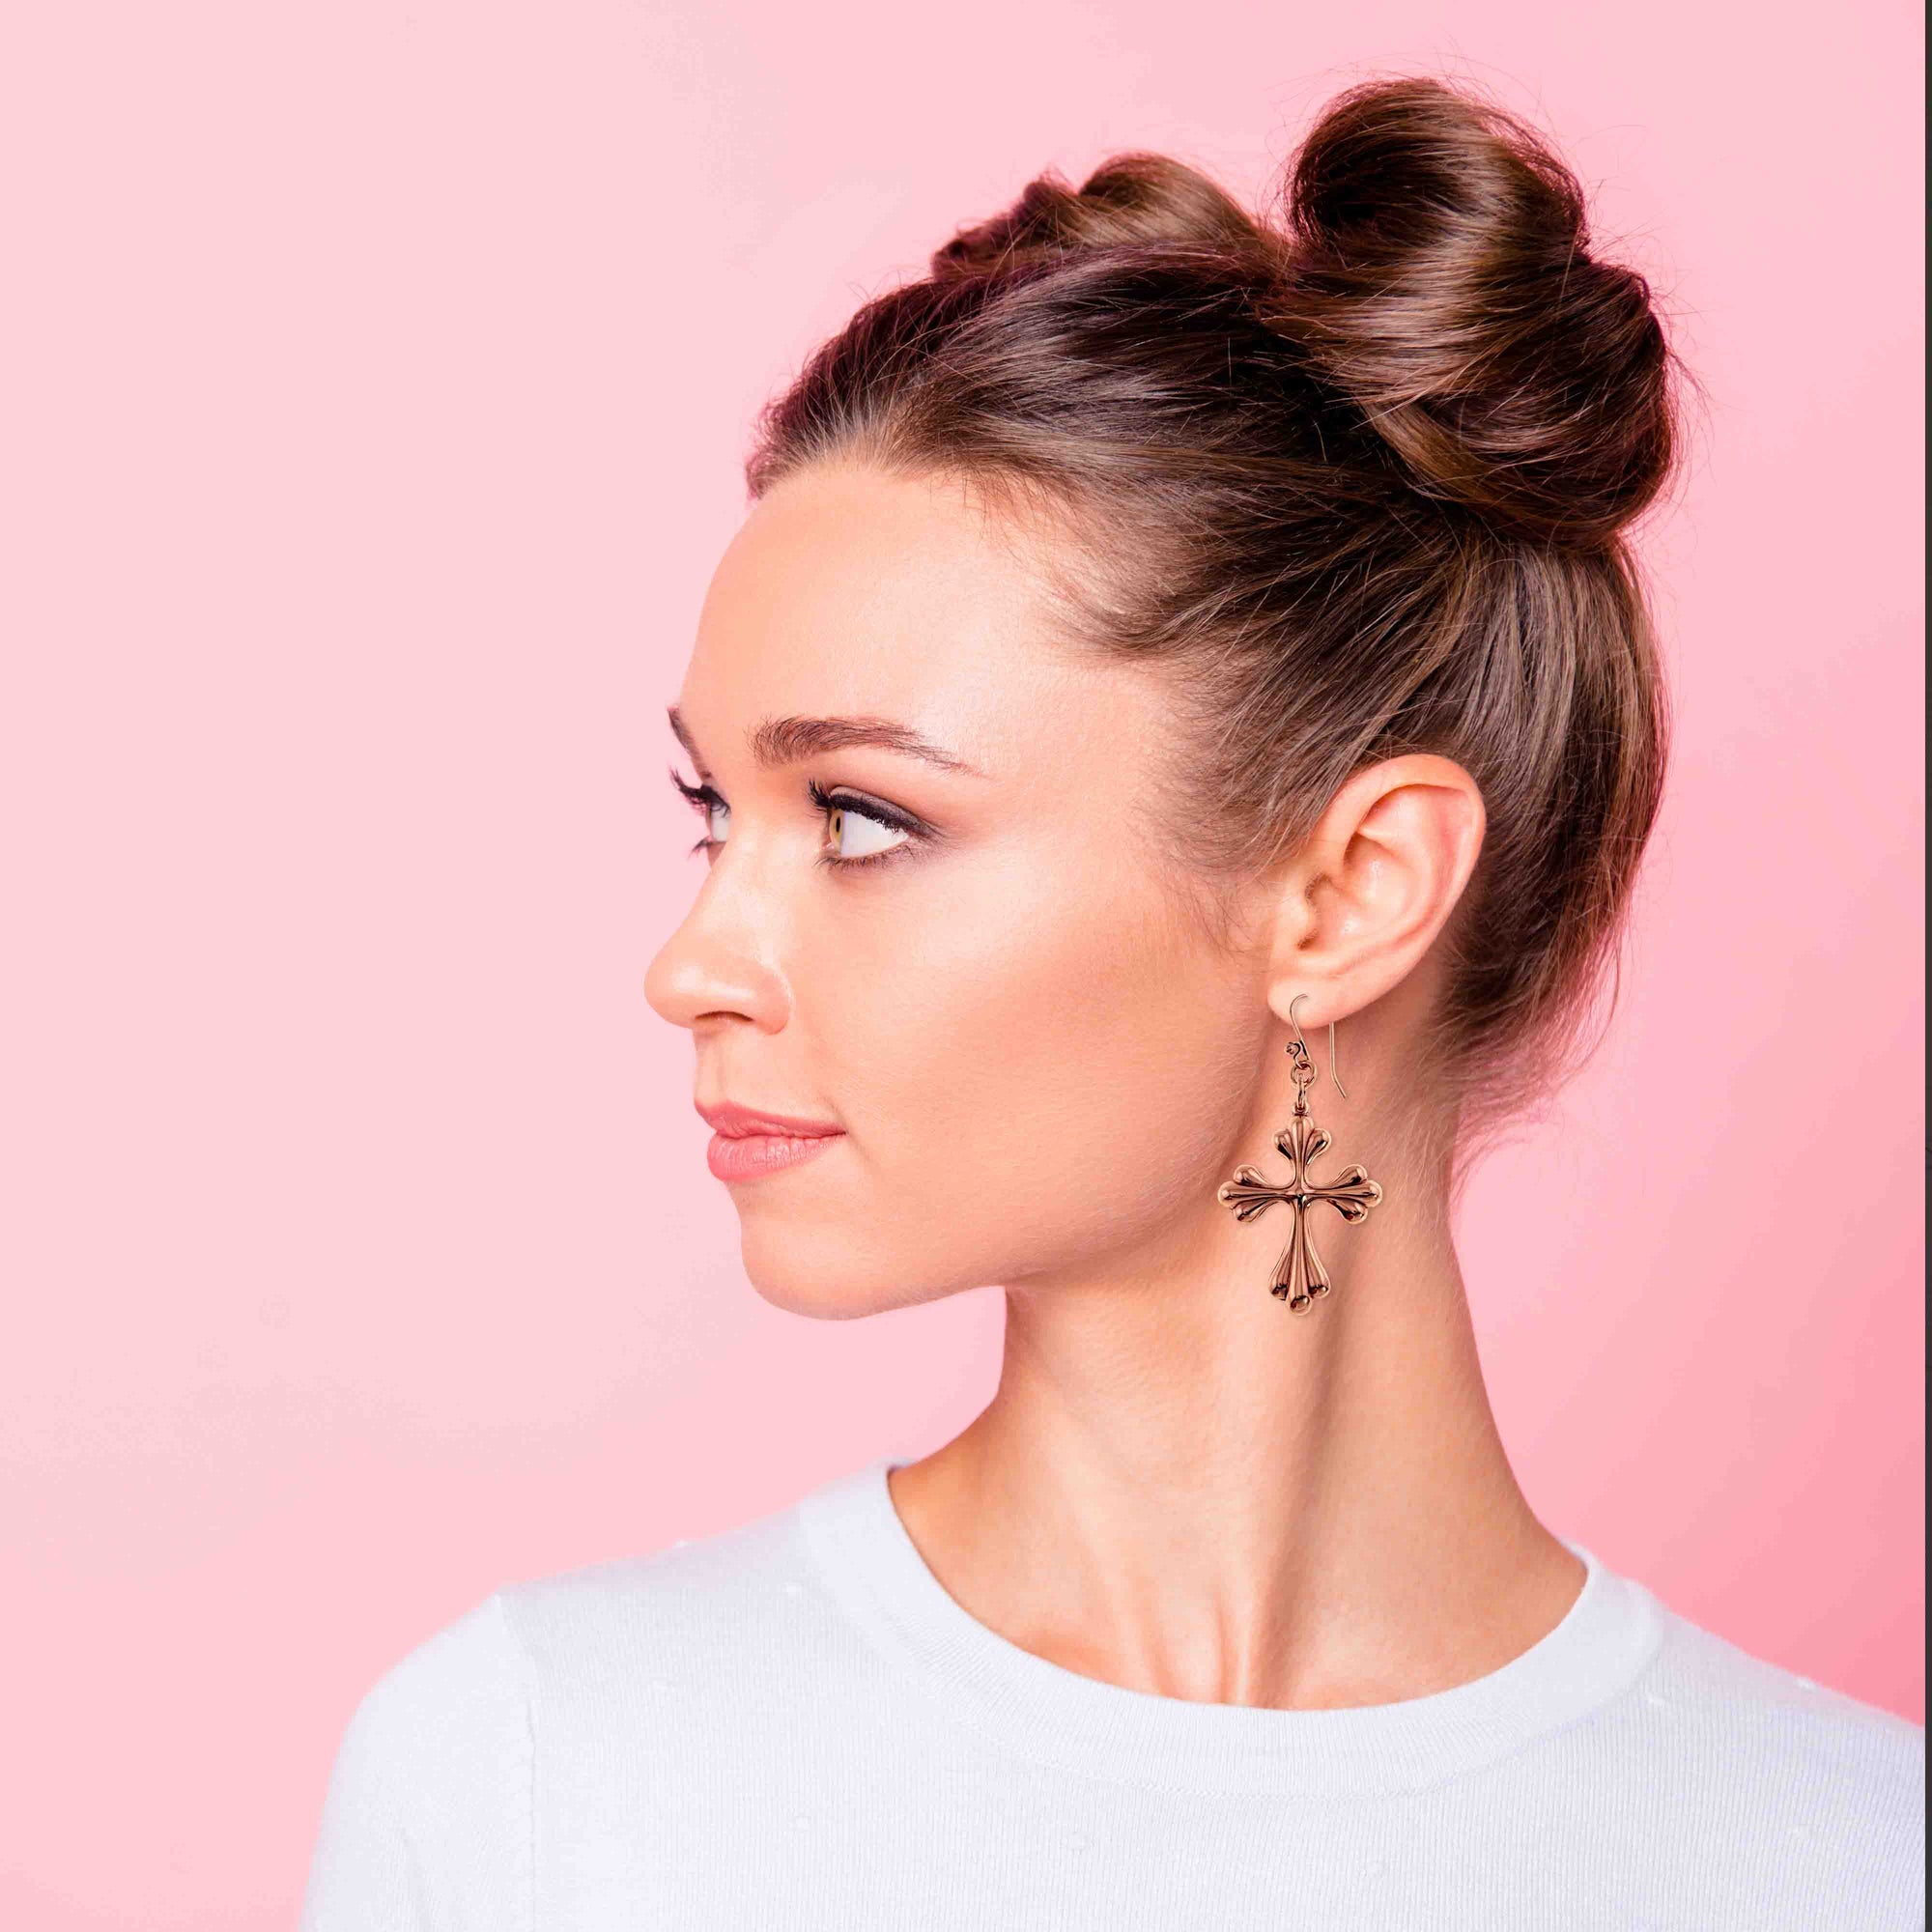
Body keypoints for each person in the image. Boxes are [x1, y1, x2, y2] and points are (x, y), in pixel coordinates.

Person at [298, 74, 1924, 1929]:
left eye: (858, 815)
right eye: (712, 812)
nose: (692, 966)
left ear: (1348, 893)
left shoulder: (1848, 1865)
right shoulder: (543, 1780)